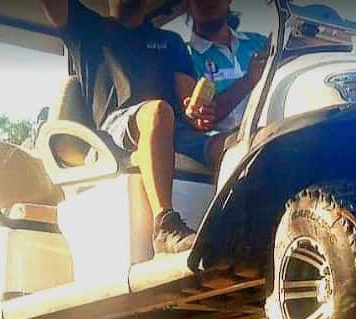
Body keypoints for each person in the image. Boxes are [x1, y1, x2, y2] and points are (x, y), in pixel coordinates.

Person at [39, 0, 201, 255]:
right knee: (157, 113)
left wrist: (198, 109)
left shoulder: (170, 42)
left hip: (175, 129)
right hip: (113, 131)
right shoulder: (86, 27)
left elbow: (189, 99)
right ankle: (165, 226)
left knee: (232, 143)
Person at [178, 0, 270, 169]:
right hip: (230, 153)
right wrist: (248, 80)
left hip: (275, 132)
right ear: (187, 4)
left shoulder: (260, 42)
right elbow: (198, 117)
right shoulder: (184, 56)